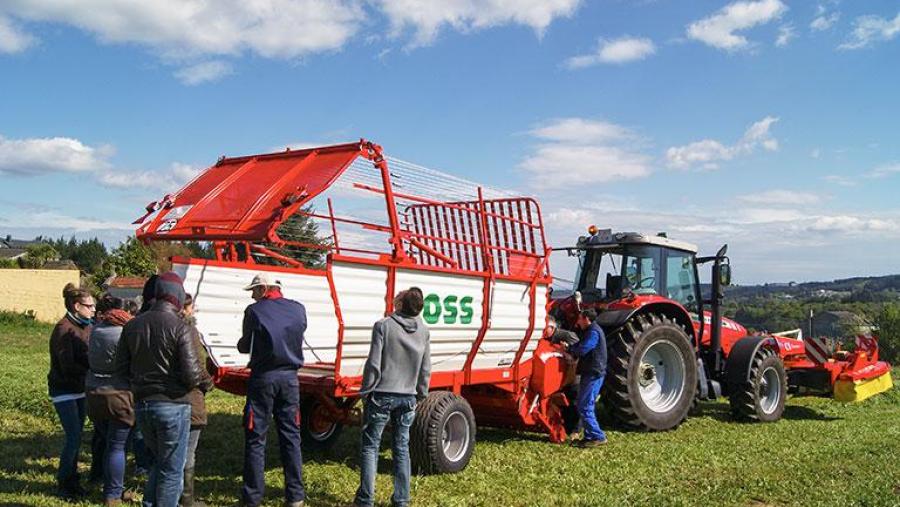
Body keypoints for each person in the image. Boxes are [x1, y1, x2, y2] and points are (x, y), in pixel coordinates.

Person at [116, 272, 204, 507]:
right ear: (176, 295)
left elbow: (121, 368)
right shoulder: (180, 327)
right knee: (172, 469)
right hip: (173, 404)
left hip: (143, 405)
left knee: (160, 461)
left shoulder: (132, 325)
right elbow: (193, 374)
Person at [353, 287, 431, 507]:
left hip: (383, 394)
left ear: (399, 304)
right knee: (401, 448)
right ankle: (401, 500)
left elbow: (374, 364)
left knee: (370, 447)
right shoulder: (424, 331)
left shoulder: (383, 326)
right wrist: (421, 394)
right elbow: (425, 369)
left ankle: (365, 499)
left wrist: (366, 392)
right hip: (408, 396)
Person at [237, 273, 307, 507]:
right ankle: (295, 495)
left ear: (265, 288)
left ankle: (253, 497)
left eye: (255, 291)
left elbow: (245, 344)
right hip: (290, 379)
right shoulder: (298, 309)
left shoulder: (254, 311)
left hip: (263, 378)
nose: (253, 296)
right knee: (291, 436)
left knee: (256, 437)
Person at [86, 295, 135, 506]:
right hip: (118, 393)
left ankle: (110, 486)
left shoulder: (96, 329)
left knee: (108, 443)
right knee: (117, 446)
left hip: (94, 391)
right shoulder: (126, 332)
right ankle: (113, 494)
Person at [48, 283, 95, 500]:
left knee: (77, 436)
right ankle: (65, 482)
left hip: (80, 389)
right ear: (77, 306)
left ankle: (73, 479)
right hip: (64, 390)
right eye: (89, 306)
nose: (93, 310)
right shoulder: (63, 329)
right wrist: (93, 368)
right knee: (73, 437)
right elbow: (66, 366)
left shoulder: (86, 326)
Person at [180, 294, 214, 507]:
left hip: (157, 400)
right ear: (187, 307)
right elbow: (196, 369)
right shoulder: (187, 330)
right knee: (188, 450)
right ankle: (186, 497)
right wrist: (208, 383)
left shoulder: (150, 325)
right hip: (189, 398)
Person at [567, 308, 608, 447]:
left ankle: (597, 436)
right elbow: (579, 345)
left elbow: (584, 348)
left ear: (586, 319)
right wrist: (569, 348)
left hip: (593, 373)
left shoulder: (593, 332)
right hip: (591, 372)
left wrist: (571, 352)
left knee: (585, 405)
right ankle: (590, 436)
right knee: (584, 404)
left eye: (579, 318)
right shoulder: (590, 331)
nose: (577, 321)